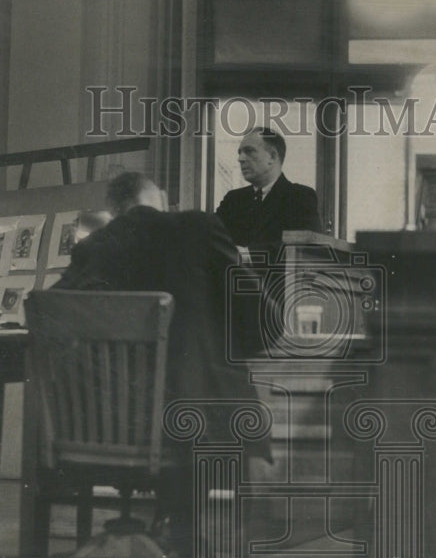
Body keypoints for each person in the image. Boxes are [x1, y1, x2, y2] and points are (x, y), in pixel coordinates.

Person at [52, 172, 267, 557]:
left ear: (115, 210)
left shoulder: (93, 247)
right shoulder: (199, 227)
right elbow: (266, 320)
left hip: (107, 427)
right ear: (161, 199)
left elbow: (48, 310)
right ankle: (181, 528)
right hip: (193, 425)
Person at [215, 127, 323, 251]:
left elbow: (306, 246)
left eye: (249, 151)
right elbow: (212, 238)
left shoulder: (299, 196)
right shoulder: (233, 199)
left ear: (272, 156)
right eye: (240, 152)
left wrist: (247, 255)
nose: (240, 159)